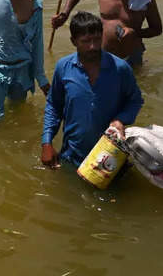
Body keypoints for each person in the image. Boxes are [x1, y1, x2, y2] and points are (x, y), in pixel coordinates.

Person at [41, 11, 144, 168]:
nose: (93, 46)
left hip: (110, 154)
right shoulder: (63, 67)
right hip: (72, 154)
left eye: (97, 39)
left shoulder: (120, 68)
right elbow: (54, 106)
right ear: (73, 41)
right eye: (86, 41)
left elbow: (135, 100)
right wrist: (46, 143)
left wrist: (120, 120)